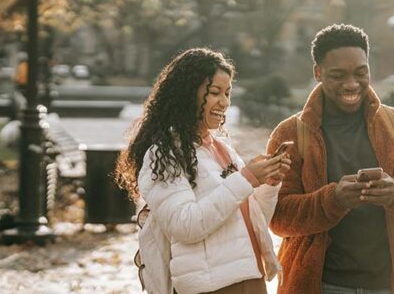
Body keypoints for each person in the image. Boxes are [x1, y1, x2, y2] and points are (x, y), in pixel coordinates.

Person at [267, 24, 394, 294]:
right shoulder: (290, 134)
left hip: (390, 284)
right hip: (320, 284)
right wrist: (332, 200)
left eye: (361, 73)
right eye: (338, 75)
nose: (351, 84)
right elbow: (277, 217)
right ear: (317, 73)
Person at [114, 48, 290, 294]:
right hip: (212, 286)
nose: (225, 102)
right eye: (215, 92)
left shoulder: (223, 150)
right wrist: (246, 178)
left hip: (250, 277)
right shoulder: (165, 154)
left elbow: (252, 220)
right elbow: (185, 225)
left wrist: (269, 184)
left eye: (228, 93)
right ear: (188, 95)